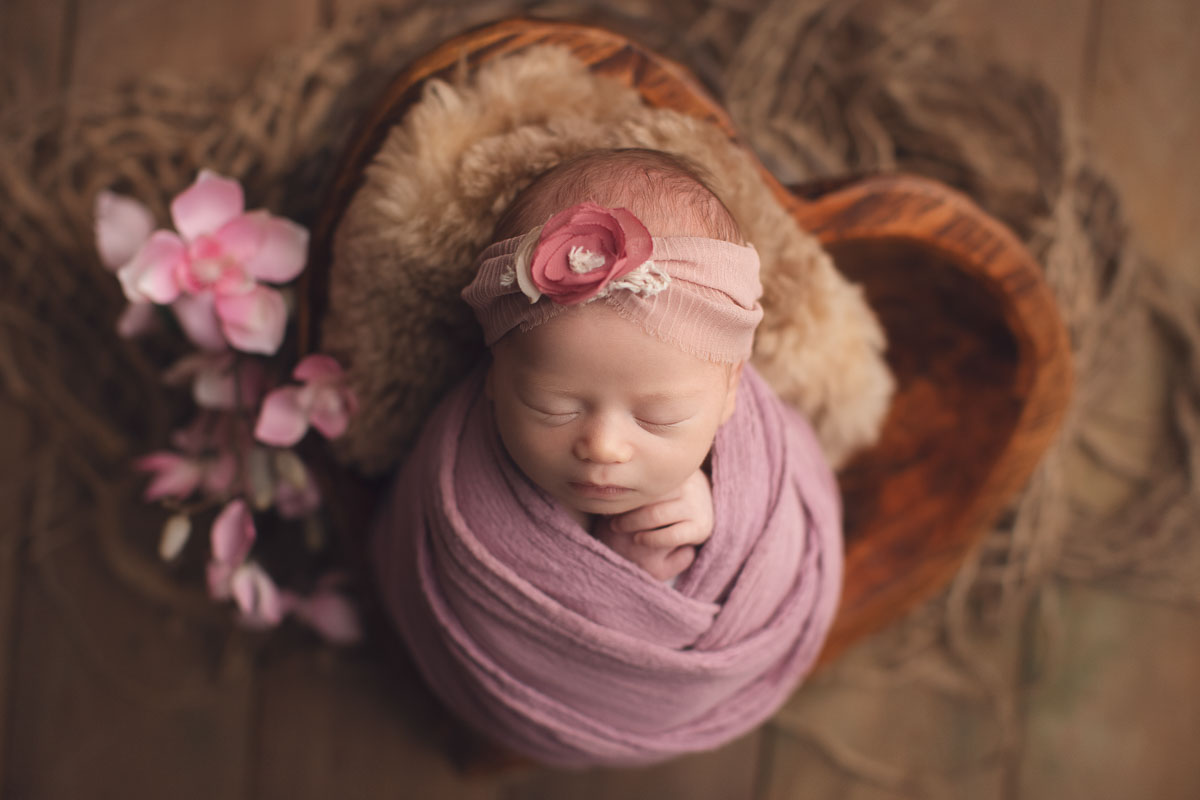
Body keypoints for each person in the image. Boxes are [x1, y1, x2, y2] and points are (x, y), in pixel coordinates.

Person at [371, 147, 843, 766]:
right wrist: (630, 574)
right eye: (552, 406)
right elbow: (451, 575)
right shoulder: (464, 484)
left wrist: (720, 504)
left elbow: (783, 515)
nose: (603, 447)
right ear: (493, 374)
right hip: (518, 690)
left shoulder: (751, 441)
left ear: (731, 392)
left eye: (659, 418)